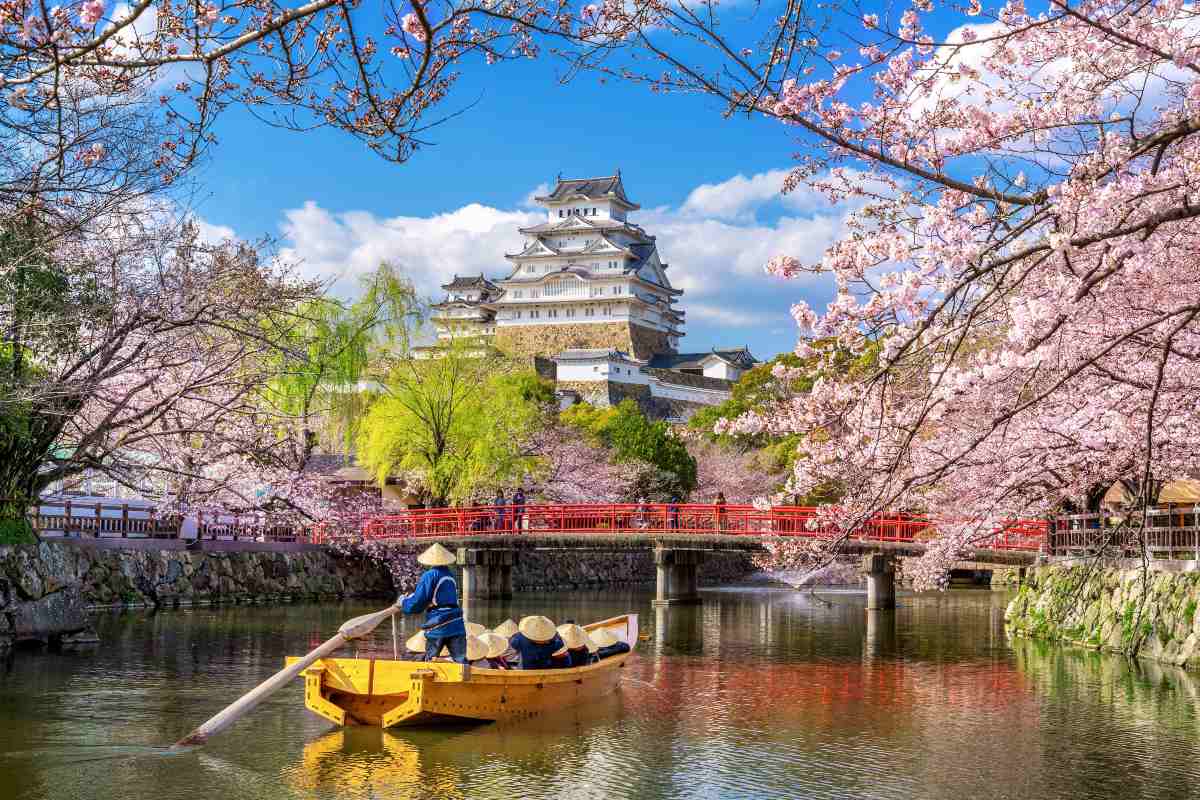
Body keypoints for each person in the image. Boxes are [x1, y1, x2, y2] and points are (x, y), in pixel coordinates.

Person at [395, 543, 468, 663]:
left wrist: (403, 602)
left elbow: (418, 602)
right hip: (457, 623)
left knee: (431, 659)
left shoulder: (430, 575)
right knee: (460, 661)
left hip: (439, 623)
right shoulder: (451, 575)